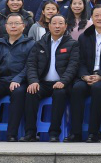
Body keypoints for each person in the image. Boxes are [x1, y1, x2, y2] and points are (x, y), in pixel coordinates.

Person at [23, 14, 79, 142]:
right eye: (54, 23)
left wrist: (63, 81)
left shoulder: (72, 44)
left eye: (60, 23)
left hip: (62, 84)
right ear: (49, 26)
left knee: (59, 94)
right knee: (31, 92)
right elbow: (31, 64)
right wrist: (33, 81)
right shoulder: (40, 43)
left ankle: (54, 133)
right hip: (43, 83)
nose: (57, 26)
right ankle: (30, 133)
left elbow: (73, 66)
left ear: (65, 26)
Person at [0, 12, 33, 142]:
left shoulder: (31, 44)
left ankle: (11, 134)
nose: (13, 26)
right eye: (10, 23)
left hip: (20, 81)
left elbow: (29, 66)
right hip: (1, 80)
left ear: (23, 26)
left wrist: (17, 79)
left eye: (17, 23)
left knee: (18, 93)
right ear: (5, 26)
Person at [69, 5, 101, 143]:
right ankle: (76, 133)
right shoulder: (84, 37)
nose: (99, 18)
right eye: (96, 15)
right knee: (77, 88)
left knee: (97, 88)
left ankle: (93, 132)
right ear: (91, 18)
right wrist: (84, 76)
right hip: (86, 76)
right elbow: (79, 60)